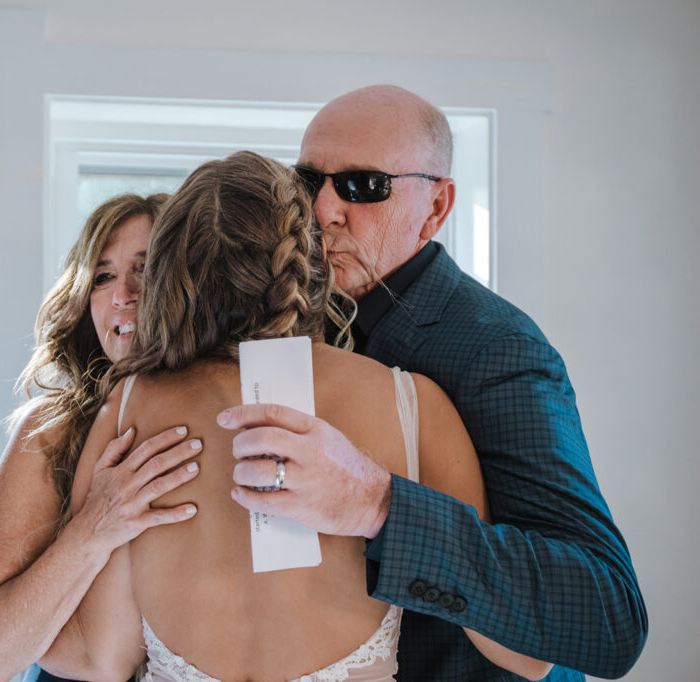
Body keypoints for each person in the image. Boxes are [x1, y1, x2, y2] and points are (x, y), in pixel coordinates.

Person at [44, 151, 552, 681]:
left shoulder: (126, 410)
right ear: (309, 256)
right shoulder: (412, 403)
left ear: (170, 272)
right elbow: (527, 655)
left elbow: (100, 659)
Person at [218, 86, 648, 679]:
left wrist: (377, 505)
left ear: (437, 208)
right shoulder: (279, 320)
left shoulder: (498, 348)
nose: (322, 210)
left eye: (363, 186)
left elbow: (606, 614)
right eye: (308, 180)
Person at [0, 193, 203, 682]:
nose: (124, 294)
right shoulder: (51, 429)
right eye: (103, 277)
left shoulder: (242, 409)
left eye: (148, 268)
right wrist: (94, 527)